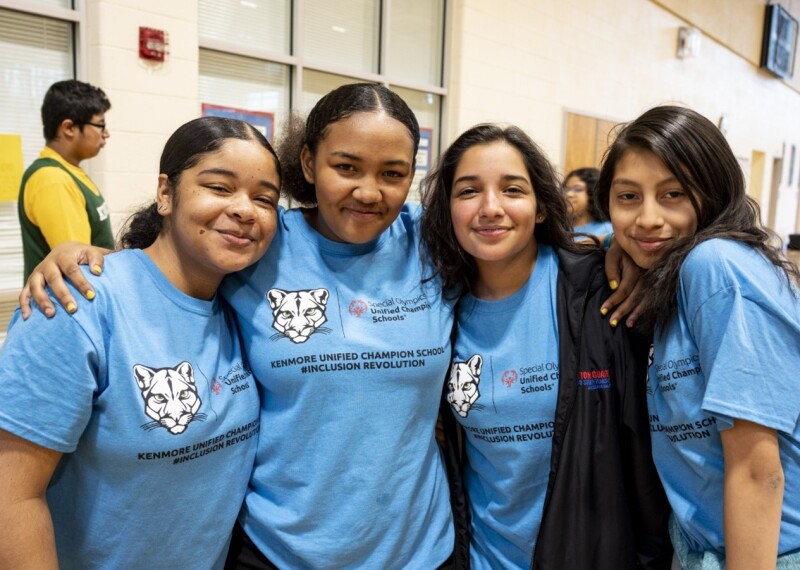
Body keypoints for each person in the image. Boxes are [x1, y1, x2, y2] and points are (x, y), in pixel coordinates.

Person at [0, 116, 281, 569]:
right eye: (220, 187)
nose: (245, 209)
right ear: (166, 194)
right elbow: (11, 497)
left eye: (264, 198)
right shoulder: (79, 304)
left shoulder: (243, 305)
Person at [420, 123, 671, 569]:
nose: (490, 208)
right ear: (448, 209)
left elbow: (643, 453)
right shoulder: (437, 306)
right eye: (468, 192)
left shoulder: (601, 291)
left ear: (539, 207)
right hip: (482, 556)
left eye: (512, 189)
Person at [596, 105, 800, 569]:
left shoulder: (716, 266)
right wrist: (613, 247)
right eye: (628, 197)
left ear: (714, 192)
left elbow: (756, 470)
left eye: (673, 194)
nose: (648, 218)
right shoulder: (676, 275)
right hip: (699, 546)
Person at [18, 79, 115, 283]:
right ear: (69, 127)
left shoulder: (71, 172)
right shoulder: (53, 179)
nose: (106, 134)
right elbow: (79, 265)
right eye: (100, 125)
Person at [563, 166, 613, 239]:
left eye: (577, 189)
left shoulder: (607, 230)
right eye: (566, 189)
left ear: (593, 194)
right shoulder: (559, 229)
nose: (568, 194)